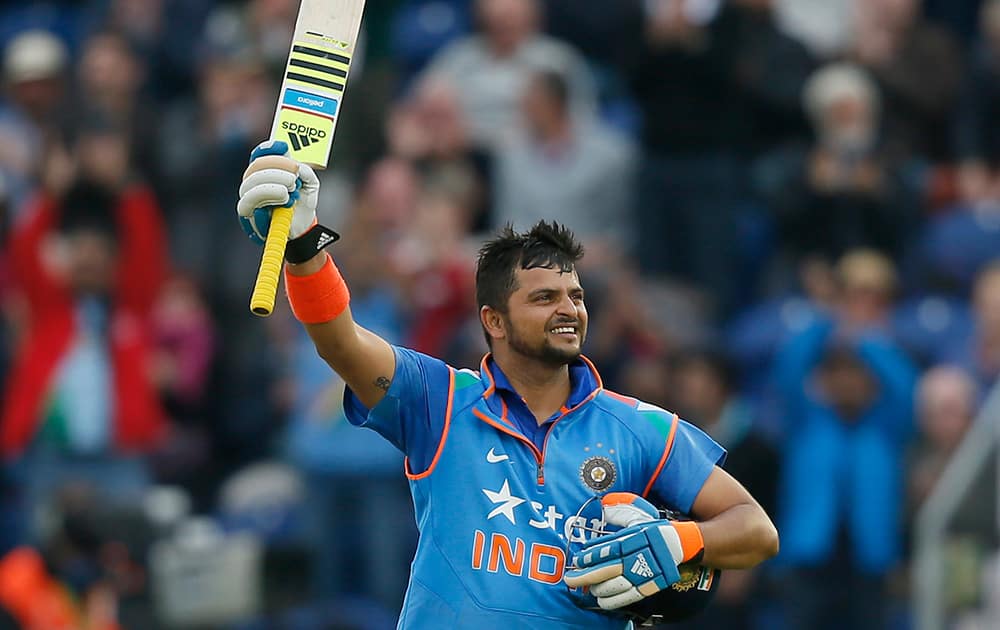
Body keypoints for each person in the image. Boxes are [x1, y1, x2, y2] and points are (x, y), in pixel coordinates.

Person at [235, 140, 779, 628]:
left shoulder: (641, 427)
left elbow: (756, 530)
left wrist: (680, 539)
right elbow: (341, 342)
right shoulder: (439, 401)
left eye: (577, 296)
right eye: (544, 298)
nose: (569, 309)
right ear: (493, 320)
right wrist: (304, 244)